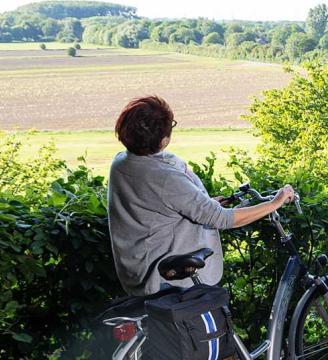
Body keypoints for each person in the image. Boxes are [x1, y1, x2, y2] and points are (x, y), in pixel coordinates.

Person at [108, 95, 295, 296]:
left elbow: (156, 207)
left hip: (137, 272)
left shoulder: (120, 163)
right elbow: (222, 219)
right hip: (171, 280)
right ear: (163, 140)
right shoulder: (165, 177)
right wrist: (276, 202)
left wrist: (204, 204)